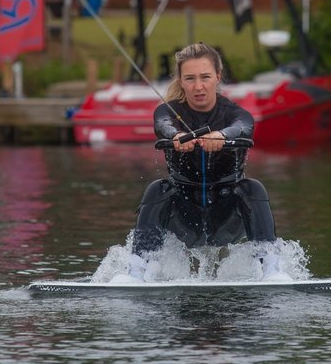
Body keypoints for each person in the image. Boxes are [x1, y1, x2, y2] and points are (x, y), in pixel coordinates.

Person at [112, 43, 290, 282]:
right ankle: (136, 272)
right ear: (181, 81)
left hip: (227, 214)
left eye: (205, 77)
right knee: (157, 188)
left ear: (218, 77)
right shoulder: (167, 112)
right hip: (184, 215)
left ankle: (271, 269)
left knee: (253, 187)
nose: (198, 86)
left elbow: (244, 127)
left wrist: (222, 136)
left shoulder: (235, 113)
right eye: (190, 78)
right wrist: (175, 137)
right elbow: (162, 125)